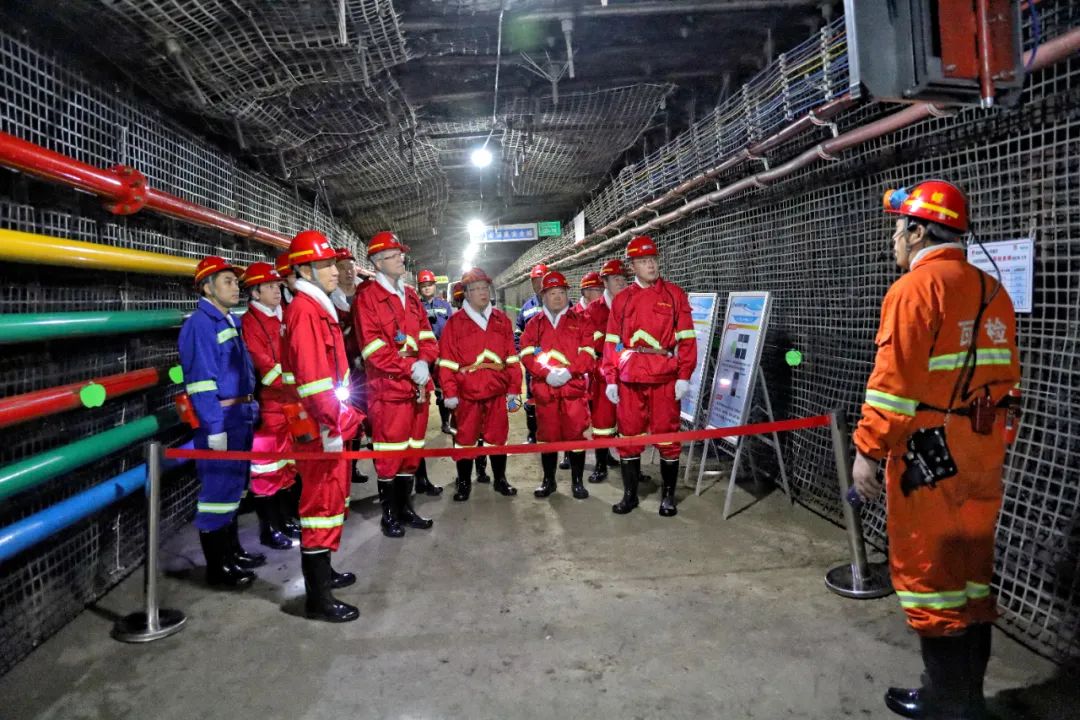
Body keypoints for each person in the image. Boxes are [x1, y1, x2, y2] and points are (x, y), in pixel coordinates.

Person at [851, 180, 1020, 719]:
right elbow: (1009, 385)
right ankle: (967, 699)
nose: (894, 240)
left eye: (899, 229)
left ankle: (946, 705)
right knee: (972, 578)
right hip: (982, 453)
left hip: (929, 460)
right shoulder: (994, 291)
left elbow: (892, 389)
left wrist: (868, 451)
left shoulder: (914, 290)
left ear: (919, 231)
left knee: (931, 581)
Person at [281, 229, 363, 622]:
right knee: (319, 508)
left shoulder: (316, 307)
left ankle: (324, 575)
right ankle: (318, 599)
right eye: (326, 264)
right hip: (320, 428)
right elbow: (315, 384)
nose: (335, 270)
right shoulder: (306, 312)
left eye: (333, 263)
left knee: (330, 504)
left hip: (326, 425)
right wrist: (340, 420)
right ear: (305, 270)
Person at [179, 256, 262, 588]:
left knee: (234, 489)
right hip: (223, 420)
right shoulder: (200, 324)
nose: (235, 287)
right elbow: (201, 383)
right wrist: (214, 427)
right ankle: (218, 568)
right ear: (207, 287)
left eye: (235, 281)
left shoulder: (228, 321)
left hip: (239, 416)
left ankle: (232, 553)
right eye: (227, 281)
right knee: (217, 492)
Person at [602, 235, 696, 517]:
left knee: (668, 437)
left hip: (664, 376)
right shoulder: (622, 299)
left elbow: (687, 338)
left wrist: (684, 375)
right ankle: (630, 495)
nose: (651, 265)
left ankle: (668, 497)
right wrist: (610, 377)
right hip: (630, 377)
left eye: (653, 259)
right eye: (643, 261)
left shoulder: (674, 295)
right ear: (632, 266)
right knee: (629, 437)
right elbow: (611, 342)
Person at [354, 232, 439, 537]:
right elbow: (373, 350)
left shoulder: (411, 296)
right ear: (378, 263)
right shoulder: (367, 298)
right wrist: (410, 366)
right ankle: (389, 515)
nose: (401, 259)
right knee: (390, 454)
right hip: (389, 391)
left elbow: (427, 336)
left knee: (412, 452)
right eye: (393, 255)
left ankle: (405, 509)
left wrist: (424, 362)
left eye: (401, 254)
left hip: (417, 389)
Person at [437, 267, 522, 501]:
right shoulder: (455, 323)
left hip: (496, 390)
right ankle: (464, 483)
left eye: (485, 287)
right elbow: (447, 362)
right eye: (476, 289)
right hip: (467, 394)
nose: (483, 292)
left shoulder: (501, 320)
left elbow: (511, 358)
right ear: (466, 293)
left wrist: (514, 389)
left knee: (498, 437)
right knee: (465, 439)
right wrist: (450, 392)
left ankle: (500, 479)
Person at [520, 271, 596, 500]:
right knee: (547, 437)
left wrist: (569, 372)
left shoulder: (581, 321)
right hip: (546, 391)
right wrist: (546, 374)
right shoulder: (534, 325)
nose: (557, 297)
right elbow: (526, 354)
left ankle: (577, 482)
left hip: (573, 390)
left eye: (561, 292)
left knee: (576, 436)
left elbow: (588, 354)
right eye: (552, 293)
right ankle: (549, 481)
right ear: (543, 295)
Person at [239, 262, 296, 551]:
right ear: (255, 292)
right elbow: (265, 366)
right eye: (271, 286)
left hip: (290, 402)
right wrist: (299, 381)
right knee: (266, 470)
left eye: (278, 285)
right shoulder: (251, 323)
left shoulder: (283, 314)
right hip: (270, 405)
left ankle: (285, 519)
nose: (277, 290)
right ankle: (269, 528)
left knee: (287, 464)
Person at [583, 259, 629, 482]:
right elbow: (588, 343)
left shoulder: (634, 304)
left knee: (631, 421)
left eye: (623, 278)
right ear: (605, 282)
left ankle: (632, 466)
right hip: (602, 372)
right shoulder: (594, 310)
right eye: (615, 278)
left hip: (630, 370)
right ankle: (601, 464)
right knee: (603, 421)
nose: (621, 282)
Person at [331, 246, 371, 486]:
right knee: (350, 418)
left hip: (368, 367)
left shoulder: (365, 292)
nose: (348, 271)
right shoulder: (328, 297)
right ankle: (351, 466)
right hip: (344, 370)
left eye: (351, 267)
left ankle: (380, 465)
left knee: (372, 418)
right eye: (342, 267)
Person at [515, 263, 549, 443]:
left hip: (557, 362)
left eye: (542, 279)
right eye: (535, 281)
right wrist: (521, 354)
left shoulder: (561, 301)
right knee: (532, 398)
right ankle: (533, 434)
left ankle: (556, 434)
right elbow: (518, 332)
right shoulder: (527, 307)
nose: (539, 284)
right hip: (533, 364)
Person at [418, 269, 453, 435]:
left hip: (441, 353)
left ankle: (445, 422)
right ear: (419, 288)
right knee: (420, 390)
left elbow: (452, 329)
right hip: (422, 354)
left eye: (429, 285)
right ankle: (417, 425)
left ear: (435, 286)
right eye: (423, 285)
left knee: (442, 389)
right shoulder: (415, 306)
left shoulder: (445, 306)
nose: (427, 288)